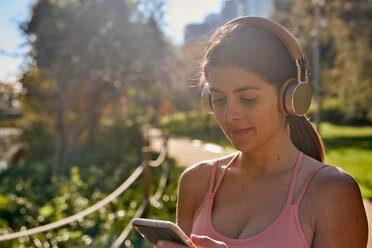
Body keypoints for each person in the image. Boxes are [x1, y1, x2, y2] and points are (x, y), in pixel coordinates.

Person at [156, 16, 368, 248]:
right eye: (218, 98)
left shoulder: (333, 193)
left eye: (248, 99)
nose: (229, 115)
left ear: (291, 98)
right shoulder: (196, 182)